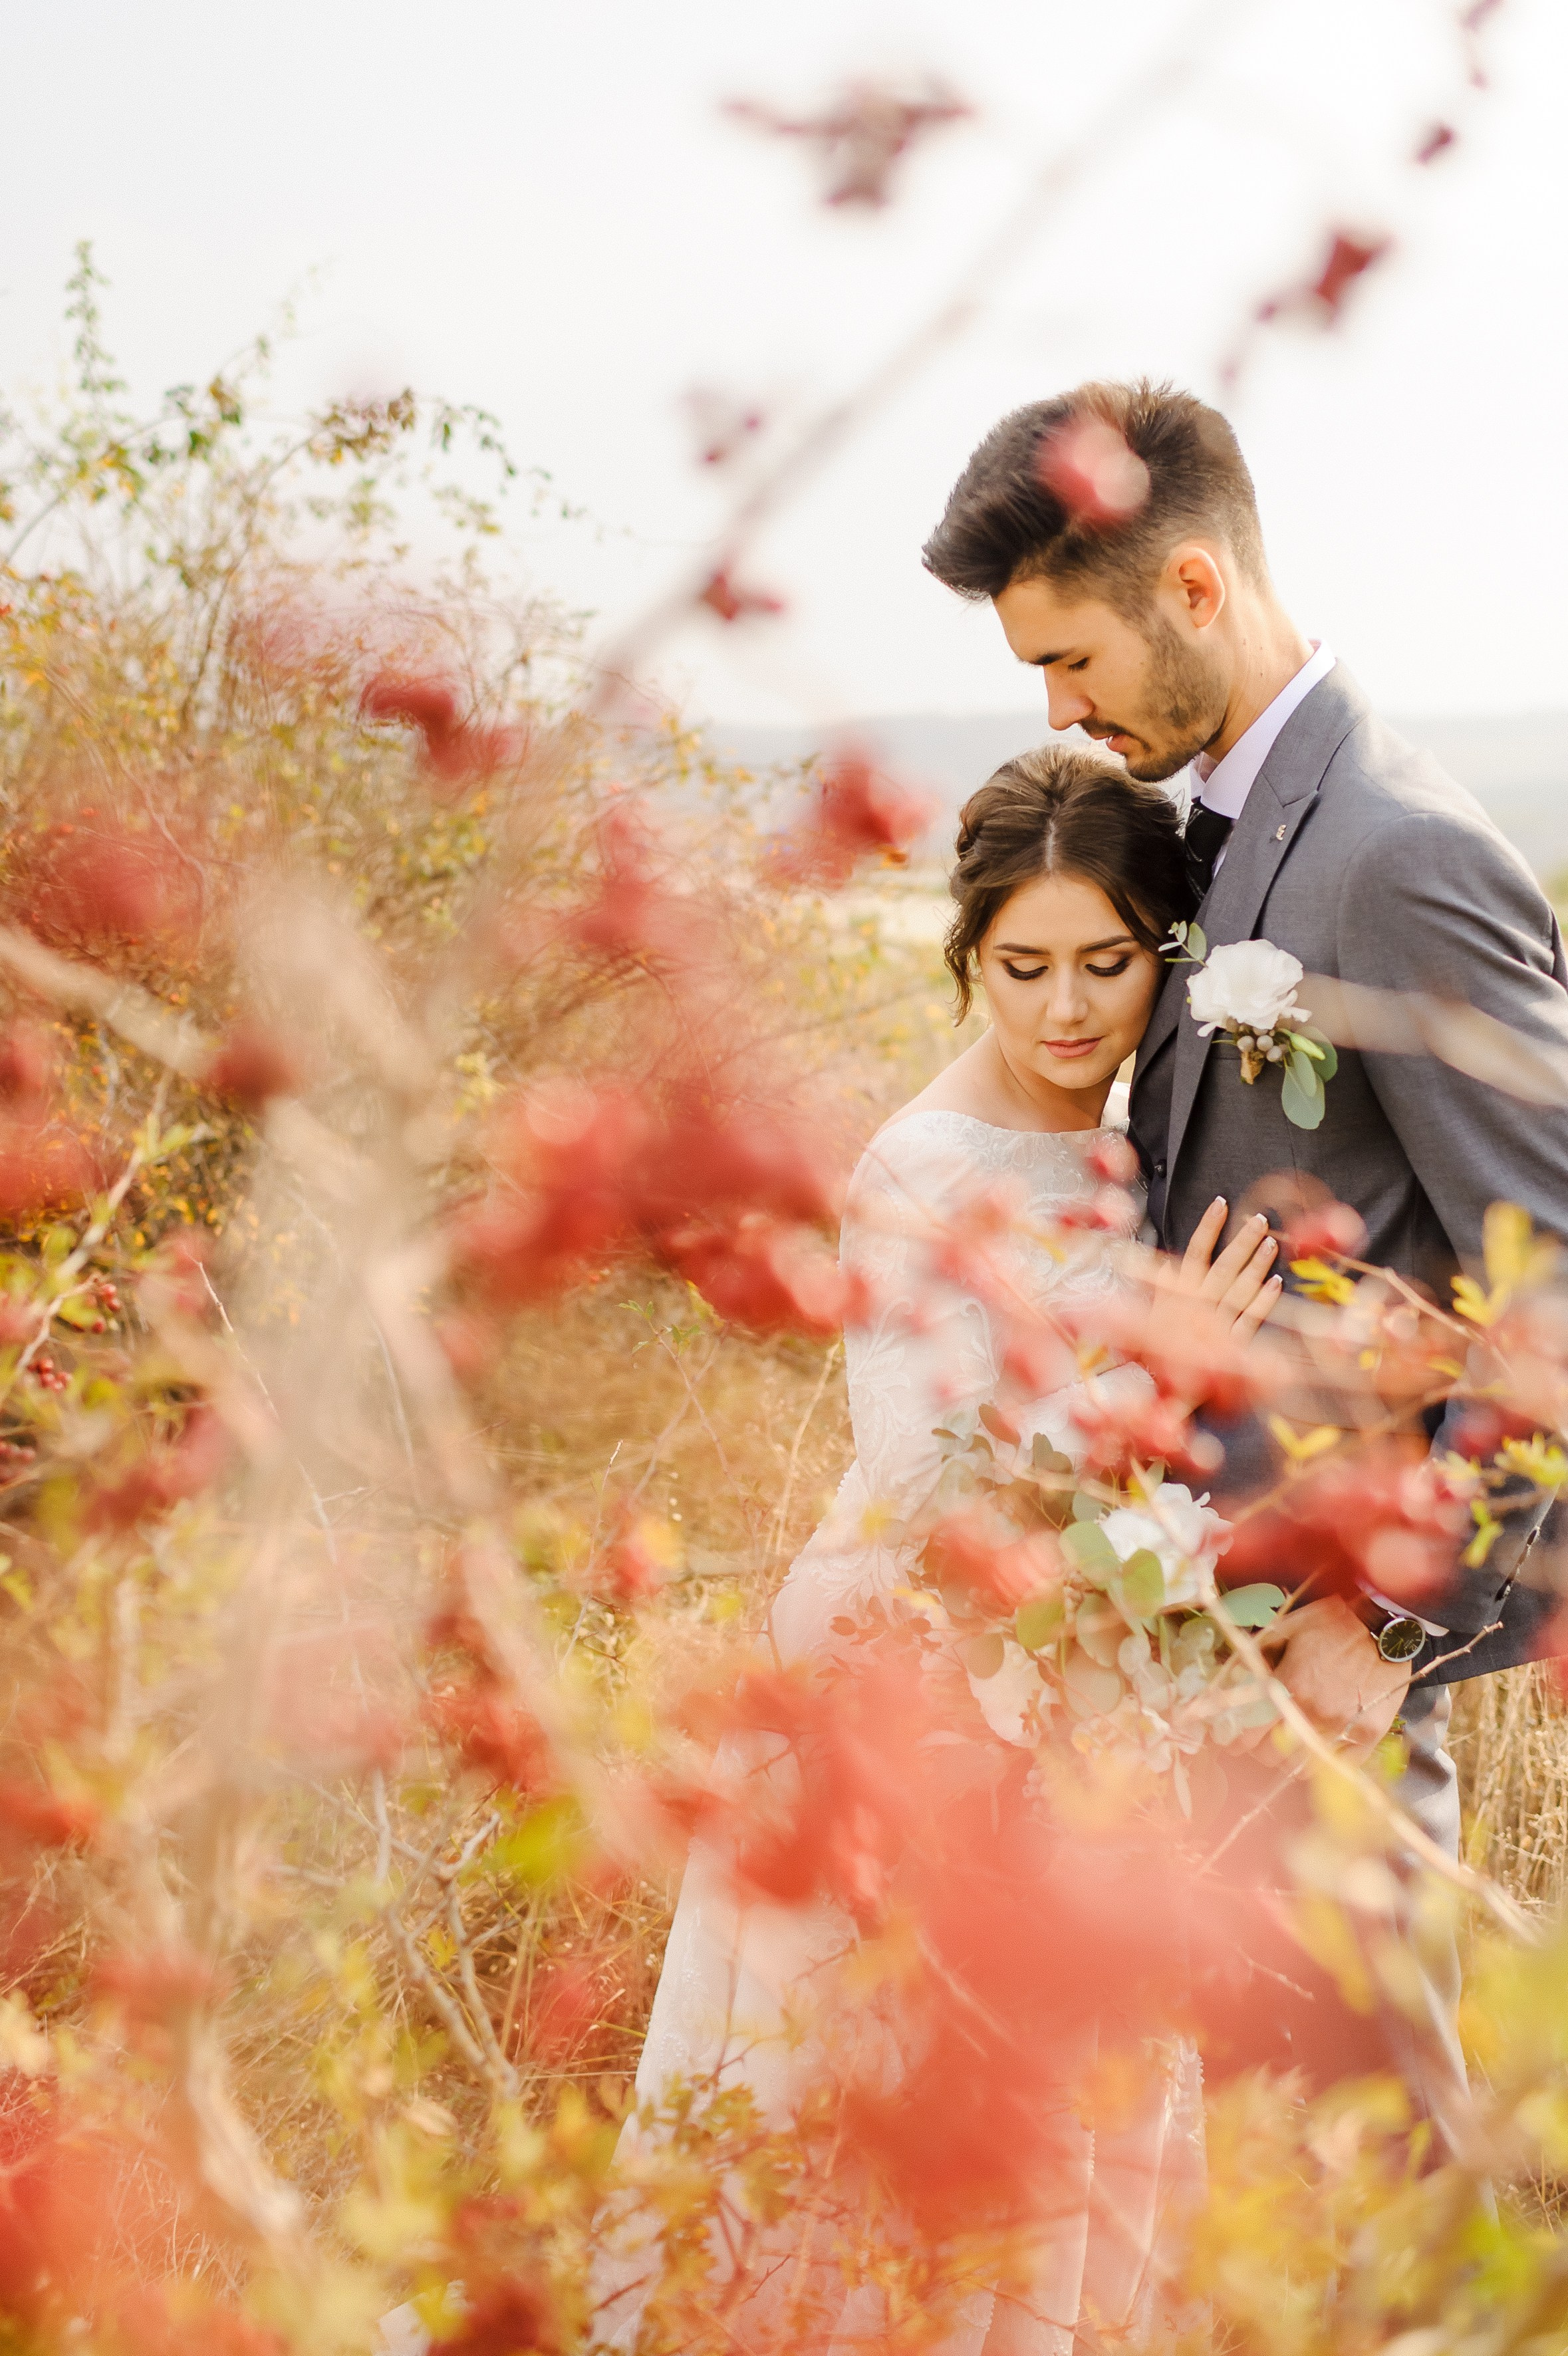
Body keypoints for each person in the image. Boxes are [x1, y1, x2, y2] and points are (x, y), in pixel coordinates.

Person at [921, 374, 1568, 2121]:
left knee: (1373, 2182)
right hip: (1194, 1654)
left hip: (1323, 1679)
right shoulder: (1201, 841)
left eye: (1071, 661)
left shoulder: (1395, 856)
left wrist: (1394, 1627)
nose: (1058, 711)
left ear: (1191, 590)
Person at [595, 749, 1278, 2356]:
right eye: (1020, 966)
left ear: (1162, 957)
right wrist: (1162, 1362)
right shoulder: (915, 1166)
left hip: (1074, 1667)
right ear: (966, 955)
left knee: (1059, 2081)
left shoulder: (1145, 1137)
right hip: (912, 1669)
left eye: (1106, 965)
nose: (1064, 1008)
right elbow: (923, 1470)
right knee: (880, 2099)